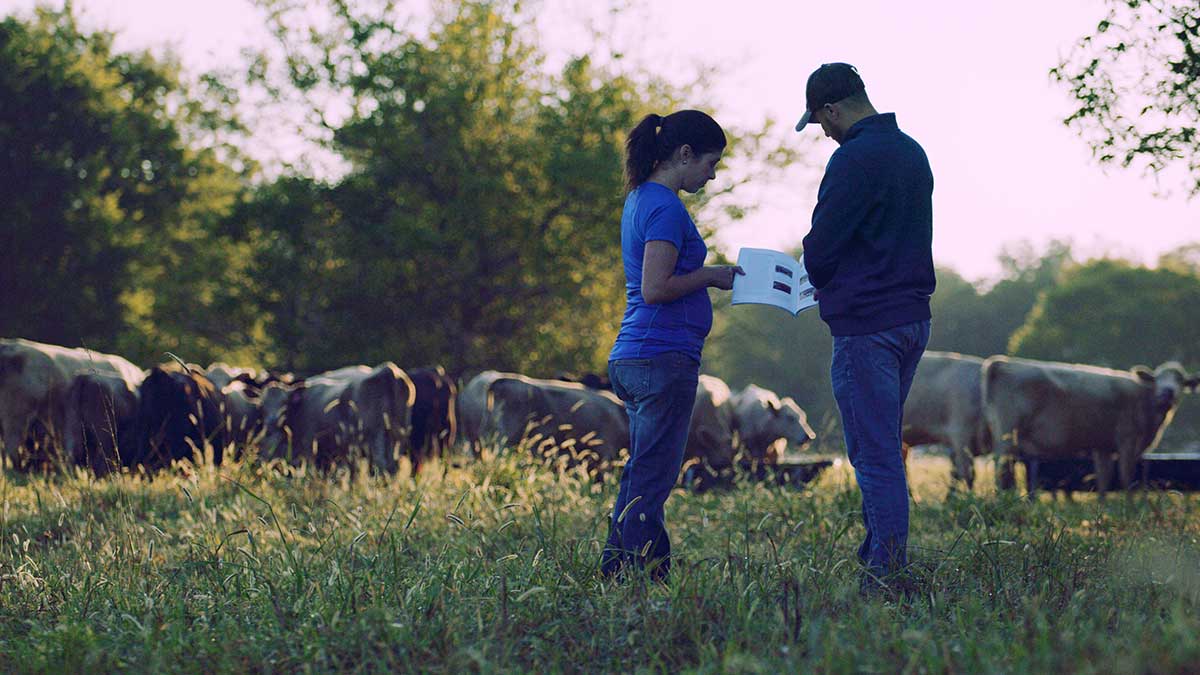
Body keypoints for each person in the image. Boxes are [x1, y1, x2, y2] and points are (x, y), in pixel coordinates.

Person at [795, 63, 935, 593]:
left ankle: (887, 574)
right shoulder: (911, 151)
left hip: (867, 327)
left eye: (820, 122)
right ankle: (875, 551)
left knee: (874, 454)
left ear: (832, 110)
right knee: (884, 443)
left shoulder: (851, 159)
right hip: (911, 320)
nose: (823, 134)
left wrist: (813, 270)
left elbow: (823, 247)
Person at [600, 110, 742, 582]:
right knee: (654, 475)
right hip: (660, 355)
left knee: (645, 469)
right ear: (684, 155)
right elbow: (656, 287)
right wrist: (713, 276)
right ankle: (644, 577)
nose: (713, 173)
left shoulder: (642, 199)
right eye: (709, 162)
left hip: (641, 354)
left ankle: (618, 571)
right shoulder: (664, 207)